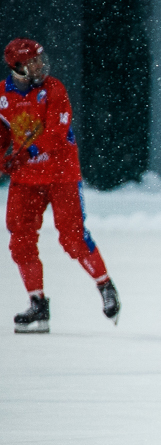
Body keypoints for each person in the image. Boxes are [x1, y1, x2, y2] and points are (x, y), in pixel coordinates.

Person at [2, 38, 120, 333]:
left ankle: (104, 284)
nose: (41, 66)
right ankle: (37, 303)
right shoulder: (3, 96)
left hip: (61, 173)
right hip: (26, 180)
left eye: (41, 60)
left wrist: (27, 151)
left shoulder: (54, 89)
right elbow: (3, 135)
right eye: (33, 62)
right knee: (20, 239)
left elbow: (57, 131)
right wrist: (3, 160)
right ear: (17, 67)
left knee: (73, 237)